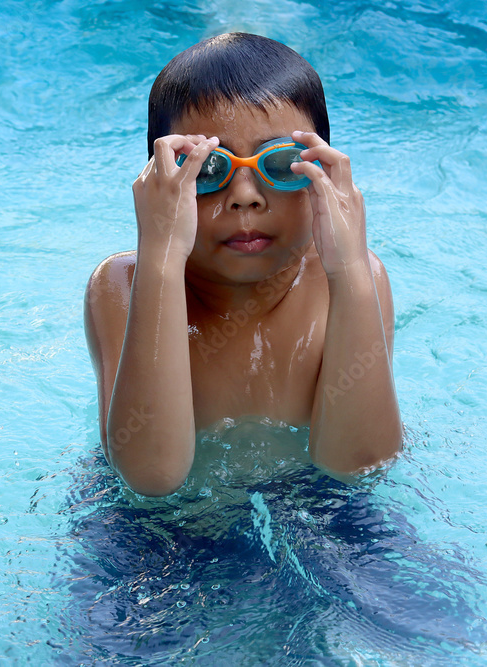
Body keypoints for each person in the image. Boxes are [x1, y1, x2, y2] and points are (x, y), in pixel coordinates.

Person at [84, 32, 402, 497]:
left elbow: (361, 468)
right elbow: (150, 477)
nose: (246, 196)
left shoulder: (353, 279)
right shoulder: (123, 286)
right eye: (208, 167)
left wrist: (350, 267)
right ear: (161, 182)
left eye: (282, 164)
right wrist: (162, 260)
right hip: (154, 535)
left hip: (319, 515)